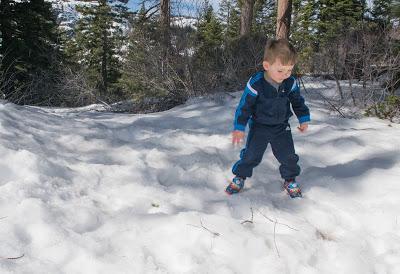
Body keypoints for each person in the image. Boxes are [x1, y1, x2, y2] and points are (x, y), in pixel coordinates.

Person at [226, 38, 310, 198]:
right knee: (251, 155)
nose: (285, 75)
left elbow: (297, 101)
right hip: (259, 126)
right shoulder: (256, 83)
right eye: (281, 71)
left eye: (289, 70)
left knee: (288, 156)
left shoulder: (290, 83)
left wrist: (303, 117)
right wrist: (239, 127)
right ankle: (240, 176)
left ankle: (289, 179)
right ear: (267, 66)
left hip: (281, 127)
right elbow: (244, 107)